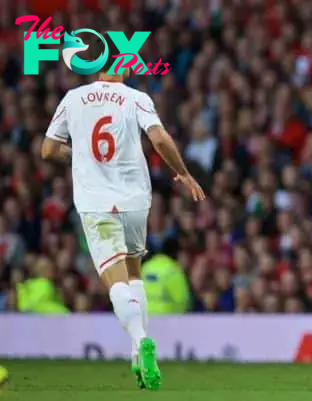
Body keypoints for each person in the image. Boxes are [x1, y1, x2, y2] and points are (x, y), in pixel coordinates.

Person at [40, 34, 206, 390]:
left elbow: (47, 151)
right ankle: (137, 357)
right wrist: (184, 172)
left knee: (114, 281)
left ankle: (140, 338)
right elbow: (159, 138)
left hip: (96, 203)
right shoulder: (136, 98)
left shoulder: (73, 99)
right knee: (134, 273)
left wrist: (77, 157)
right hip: (135, 201)